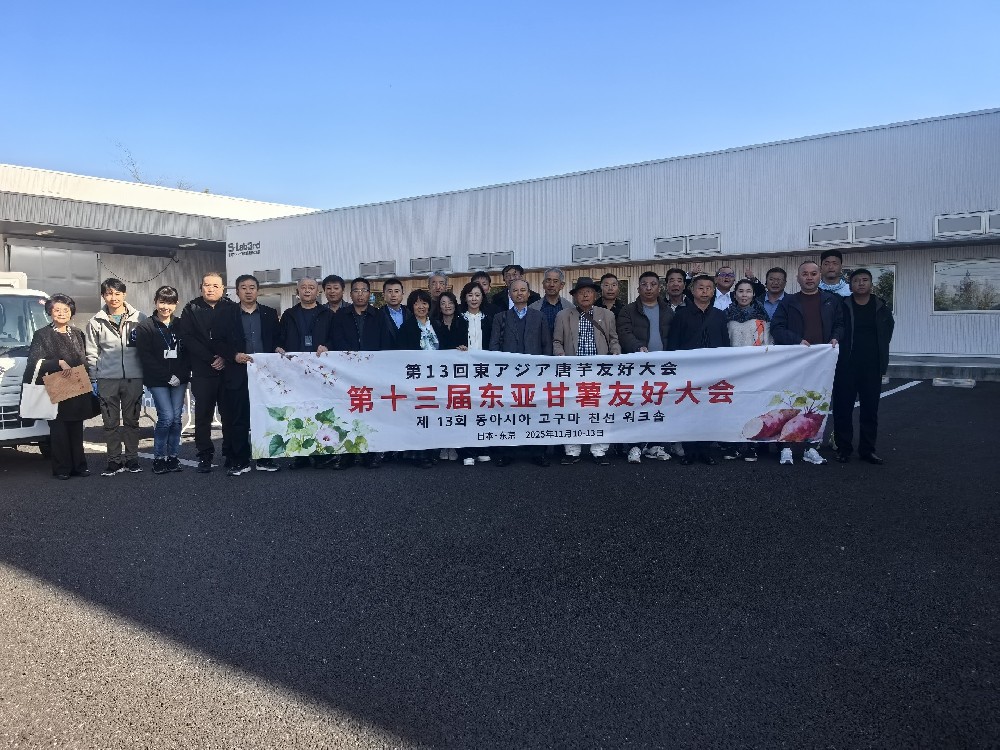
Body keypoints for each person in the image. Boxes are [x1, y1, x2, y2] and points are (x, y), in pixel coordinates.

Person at [771, 260, 845, 466]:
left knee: (816, 404)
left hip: (822, 362)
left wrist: (835, 337)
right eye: (805, 274)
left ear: (820, 276)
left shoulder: (831, 300)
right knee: (789, 402)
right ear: (798, 278)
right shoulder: (788, 302)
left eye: (813, 273)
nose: (809, 277)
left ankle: (811, 447)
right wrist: (796, 341)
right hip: (794, 361)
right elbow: (777, 327)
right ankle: (785, 447)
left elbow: (840, 324)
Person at [213, 274, 281, 476]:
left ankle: (265, 458)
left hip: (265, 375)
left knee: (265, 417)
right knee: (238, 419)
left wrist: (279, 347)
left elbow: (278, 338)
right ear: (237, 291)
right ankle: (240, 460)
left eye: (252, 287)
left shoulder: (269, 313)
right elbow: (217, 342)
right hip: (237, 373)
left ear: (258, 291)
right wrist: (233, 355)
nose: (248, 291)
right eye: (244, 288)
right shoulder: (226, 314)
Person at [25, 294, 94, 480]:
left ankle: (79, 466)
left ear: (71, 311)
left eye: (66, 309)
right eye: (57, 310)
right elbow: (33, 363)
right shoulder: (42, 334)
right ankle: (62, 468)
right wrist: (58, 362)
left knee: (77, 428)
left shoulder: (77, 333)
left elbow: (84, 357)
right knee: (59, 429)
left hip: (77, 383)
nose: (62, 313)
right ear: (50, 312)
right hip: (57, 385)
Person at [553, 277, 620, 465]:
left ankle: (599, 450)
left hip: (599, 372)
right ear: (574, 296)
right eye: (580, 292)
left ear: (595, 295)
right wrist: (560, 355)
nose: (585, 295)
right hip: (573, 372)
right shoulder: (563, 315)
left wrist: (616, 354)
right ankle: (572, 451)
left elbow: (614, 340)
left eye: (588, 292)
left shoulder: (607, 315)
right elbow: (557, 341)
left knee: (601, 410)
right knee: (571, 410)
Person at [833, 269, 895, 465]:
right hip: (846, 365)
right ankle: (844, 449)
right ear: (850, 285)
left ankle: (868, 450)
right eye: (856, 281)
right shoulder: (842, 306)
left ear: (871, 284)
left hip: (872, 366)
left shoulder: (881, 307)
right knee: (843, 410)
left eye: (865, 280)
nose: (861, 283)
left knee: (870, 410)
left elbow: (887, 332)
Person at [85, 278, 146, 476]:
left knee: (132, 421)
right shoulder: (95, 322)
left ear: (124, 294)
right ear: (103, 296)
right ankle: (114, 461)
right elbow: (91, 353)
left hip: (134, 378)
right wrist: (94, 379)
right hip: (107, 379)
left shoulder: (140, 318)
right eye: (109, 293)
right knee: (110, 423)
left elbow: (147, 348)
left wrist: (146, 374)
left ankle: (132, 459)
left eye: (118, 293)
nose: (114, 298)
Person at [667, 274, 730, 465]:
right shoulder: (681, 314)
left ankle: (705, 450)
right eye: (700, 288)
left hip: (713, 372)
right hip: (688, 372)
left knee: (709, 410)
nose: (704, 291)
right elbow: (673, 344)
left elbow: (725, 345)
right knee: (688, 409)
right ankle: (690, 451)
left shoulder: (719, 315)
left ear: (713, 291)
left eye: (708, 288)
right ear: (692, 290)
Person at [489, 279, 552, 467]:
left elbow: (546, 345)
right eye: (515, 290)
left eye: (523, 290)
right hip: (508, 374)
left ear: (529, 293)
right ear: (509, 294)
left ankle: (538, 452)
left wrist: (545, 370)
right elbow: (494, 345)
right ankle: (507, 452)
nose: (519, 293)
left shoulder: (539, 316)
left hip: (534, 374)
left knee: (535, 412)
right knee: (508, 412)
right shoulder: (501, 317)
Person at [330, 277, 391, 469]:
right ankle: (347, 455)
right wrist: (351, 360)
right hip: (347, 373)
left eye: (364, 290)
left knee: (370, 412)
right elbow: (336, 340)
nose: (360, 294)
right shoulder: (341, 315)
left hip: (372, 373)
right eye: (356, 290)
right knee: (347, 412)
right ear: (350, 294)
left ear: (369, 294)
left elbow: (385, 342)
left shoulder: (378, 315)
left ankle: (369, 453)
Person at [178, 272, 234, 473]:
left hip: (228, 370)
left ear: (223, 288)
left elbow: (236, 336)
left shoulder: (231, 308)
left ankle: (230, 453)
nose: (210, 289)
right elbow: (187, 338)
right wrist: (211, 358)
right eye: (207, 285)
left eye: (215, 286)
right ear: (200, 287)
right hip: (202, 370)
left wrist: (225, 357)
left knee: (229, 414)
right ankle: (204, 455)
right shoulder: (191, 308)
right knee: (203, 415)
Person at [276, 277, 335, 469]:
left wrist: (328, 346)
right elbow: (280, 339)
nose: (307, 290)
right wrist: (278, 347)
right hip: (295, 372)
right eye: (303, 287)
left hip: (320, 372)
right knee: (298, 411)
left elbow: (336, 339)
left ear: (318, 292)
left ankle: (321, 454)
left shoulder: (328, 314)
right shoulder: (288, 314)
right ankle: (300, 455)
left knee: (320, 412)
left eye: (311, 287)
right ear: (297, 291)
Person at [617, 271, 674, 464]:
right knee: (637, 404)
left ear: (659, 288)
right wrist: (637, 347)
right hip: (638, 367)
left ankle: (654, 445)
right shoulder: (628, 310)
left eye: (653, 284)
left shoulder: (668, 311)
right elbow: (624, 333)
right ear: (638, 288)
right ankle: (634, 446)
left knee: (659, 405)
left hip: (663, 368)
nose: (649, 288)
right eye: (644, 284)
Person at [134, 286, 189, 475]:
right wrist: (167, 376)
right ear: (155, 302)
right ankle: (158, 457)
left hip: (179, 379)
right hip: (157, 379)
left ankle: (173, 456)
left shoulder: (182, 325)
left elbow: (188, 353)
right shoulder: (146, 326)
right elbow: (145, 357)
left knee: (176, 418)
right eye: (162, 302)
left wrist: (180, 375)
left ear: (176, 304)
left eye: (170, 303)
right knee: (166, 417)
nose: (165, 307)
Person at [394, 289, 448, 468]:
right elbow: (401, 355)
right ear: (411, 306)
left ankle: (433, 451)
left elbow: (447, 348)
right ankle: (419, 454)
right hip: (416, 380)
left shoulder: (437, 325)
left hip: (436, 380)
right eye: (417, 303)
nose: (421, 306)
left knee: (434, 414)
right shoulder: (406, 328)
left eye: (424, 303)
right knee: (419, 416)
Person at [723, 280, 773, 462]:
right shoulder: (726, 316)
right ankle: (733, 444)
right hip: (733, 371)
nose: (744, 295)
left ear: (753, 294)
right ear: (735, 294)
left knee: (754, 408)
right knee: (733, 408)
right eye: (740, 291)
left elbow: (768, 345)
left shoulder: (762, 317)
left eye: (748, 291)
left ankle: (752, 445)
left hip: (755, 371)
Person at [456, 281, 494, 466]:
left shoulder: (490, 319)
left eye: (477, 295)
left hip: (485, 372)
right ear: (465, 297)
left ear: (482, 297)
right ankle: (466, 452)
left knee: (483, 409)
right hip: (463, 372)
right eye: (470, 295)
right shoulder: (458, 319)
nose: (474, 298)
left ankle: (483, 448)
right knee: (465, 410)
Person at [529, 267, 573, 335]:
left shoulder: (570, 308)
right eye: (548, 280)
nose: (551, 285)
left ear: (561, 285)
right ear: (543, 284)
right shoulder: (532, 308)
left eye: (555, 281)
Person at [378, 277, 410, 347]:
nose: (393, 295)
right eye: (390, 291)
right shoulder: (378, 315)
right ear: (383, 295)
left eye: (396, 291)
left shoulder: (410, 313)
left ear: (402, 294)